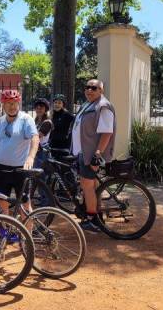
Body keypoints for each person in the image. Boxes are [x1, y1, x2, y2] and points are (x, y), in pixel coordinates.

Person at [71, 79, 116, 232]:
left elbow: (107, 132)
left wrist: (98, 154)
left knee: (87, 186)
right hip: (83, 152)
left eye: (94, 88)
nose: (89, 90)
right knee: (91, 186)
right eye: (87, 87)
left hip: (91, 153)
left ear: (101, 90)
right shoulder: (88, 105)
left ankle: (92, 219)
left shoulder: (103, 106)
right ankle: (96, 214)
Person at [33, 98, 53, 168]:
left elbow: (37, 136)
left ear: (45, 110)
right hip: (36, 149)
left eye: (41, 108)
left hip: (41, 151)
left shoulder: (47, 122)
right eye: (37, 108)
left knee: (39, 174)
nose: (39, 110)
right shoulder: (35, 121)